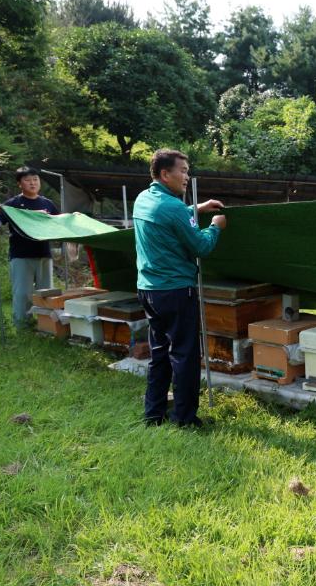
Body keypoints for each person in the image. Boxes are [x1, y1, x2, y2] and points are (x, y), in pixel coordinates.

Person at [133, 149, 226, 428]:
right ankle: (184, 419)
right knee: (185, 354)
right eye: (183, 171)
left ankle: (154, 414)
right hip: (176, 291)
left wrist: (196, 208)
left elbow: (168, 217)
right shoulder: (172, 206)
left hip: (148, 290)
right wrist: (216, 226)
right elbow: (201, 246)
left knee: (159, 353)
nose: (187, 176)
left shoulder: (143, 199)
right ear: (165, 174)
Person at [0, 166, 60, 328]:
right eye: (28, 180)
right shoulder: (13, 204)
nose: (32, 183)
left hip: (44, 254)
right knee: (23, 294)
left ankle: (46, 327)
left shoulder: (48, 204)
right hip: (21, 255)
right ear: (19, 184)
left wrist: (73, 217)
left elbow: (59, 225)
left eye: (35, 180)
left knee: (46, 293)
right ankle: (23, 327)